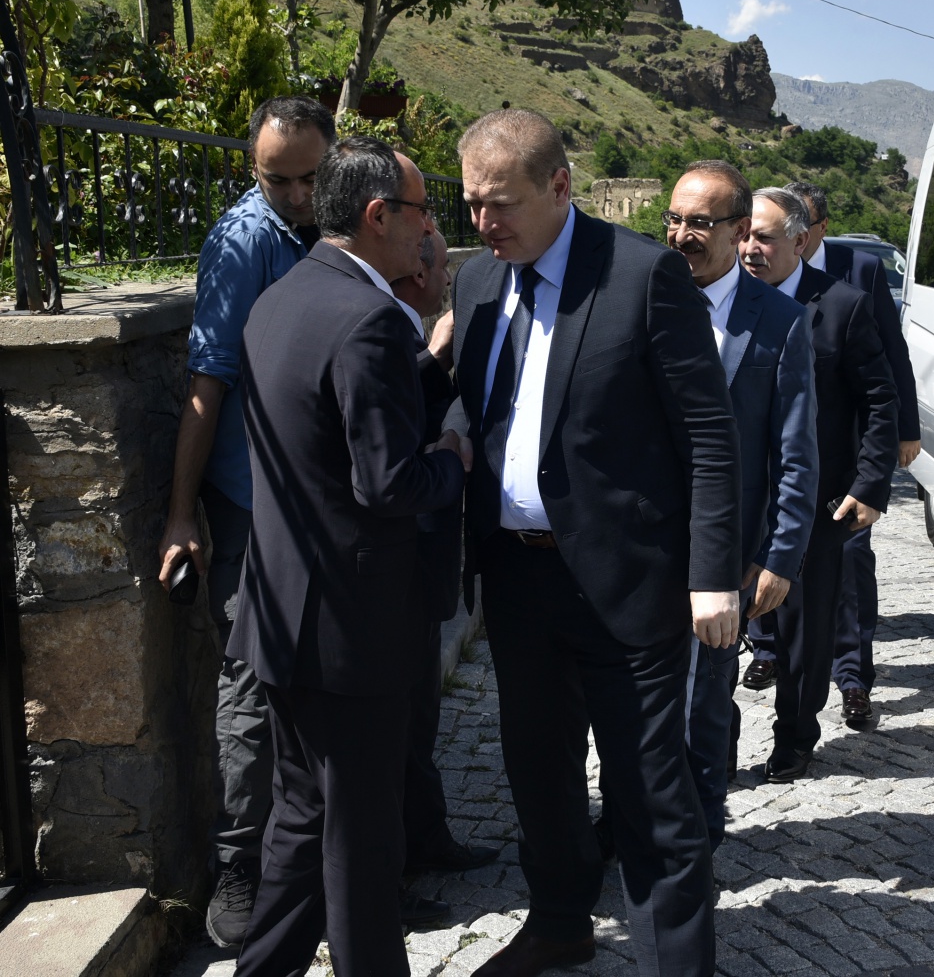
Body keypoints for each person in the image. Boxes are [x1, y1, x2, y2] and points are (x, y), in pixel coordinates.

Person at [446, 109, 740, 977]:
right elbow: (484, 400)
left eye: (500, 204)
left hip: (629, 588)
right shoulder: (476, 283)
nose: (483, 224)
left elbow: (710, 435)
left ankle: (677, 964)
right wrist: (455, 429)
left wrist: (713, 574)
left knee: (651, 798)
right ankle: (561, 923)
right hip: (517, 581)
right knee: (536, 773)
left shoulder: (644, 276)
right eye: (469, 206)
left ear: (560, 187)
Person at [228, 138, 467, 977]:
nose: (431, 231)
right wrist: (454, 462)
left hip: (283, 613)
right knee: (362, 838)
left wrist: (427, 373)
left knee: (302, 813)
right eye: (422, 212)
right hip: (350, 630)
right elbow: (388, 482)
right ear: (377, 217)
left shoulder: (284, 297)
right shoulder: (366, 318)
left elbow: (330, 434)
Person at [154, 95, 333, 948]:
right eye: (278, 180)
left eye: (310, 177)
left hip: (330, 503)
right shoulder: (243, 242)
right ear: (250, 169)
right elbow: (207, 380)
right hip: (255, 506)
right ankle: (240, 866)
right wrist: (182, 512)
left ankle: (354, 857)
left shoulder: (337, 222)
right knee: (250, 688)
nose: (297, 195)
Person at [660, 159, 817, 846]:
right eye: (673, 219)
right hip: (640, 545)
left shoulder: (778, 321)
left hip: (726, 554)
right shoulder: (643, 297)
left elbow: (795, 450)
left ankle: (697, 833)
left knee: (704, 698)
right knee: (636, 703)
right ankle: (635, 821)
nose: (682, 235)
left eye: (699, 223)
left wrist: (780, 555)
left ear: (736, 231)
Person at [738, 187, 898, 783]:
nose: (749, 248)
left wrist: (872, 484)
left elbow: (880, 399)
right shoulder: (721, 301)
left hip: (816, 501)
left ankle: (795, 736)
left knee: (805, 632)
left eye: (764, 237)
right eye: (744, 235)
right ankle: (715, 734)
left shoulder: (841, 306)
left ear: (800, 241)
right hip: (737, 499)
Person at [776, 180, 920, 732]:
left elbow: (890, 356)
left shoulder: (859, 273)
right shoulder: (746, 286)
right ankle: (769, 650)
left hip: (846, 458)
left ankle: (853, 676)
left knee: (851, 568)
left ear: (815, 230)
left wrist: (902, 433)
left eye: (802, 229)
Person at [389, 234, 501, 892]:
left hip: (424, 570)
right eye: (442, 268)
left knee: (421, 713)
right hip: (398, 563)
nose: (449, 281)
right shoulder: (388, 329)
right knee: (402, 721)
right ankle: (402, 860)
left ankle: (427, 837)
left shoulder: (411, 328)